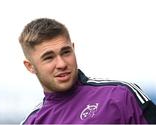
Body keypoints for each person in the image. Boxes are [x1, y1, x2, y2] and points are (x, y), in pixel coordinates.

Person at [18, 18, 156, 124]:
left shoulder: (121, 95)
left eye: (66, 52)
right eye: (49, 58)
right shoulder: (33, 122)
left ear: (73, 48)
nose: (61, 64)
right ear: (30, 66)